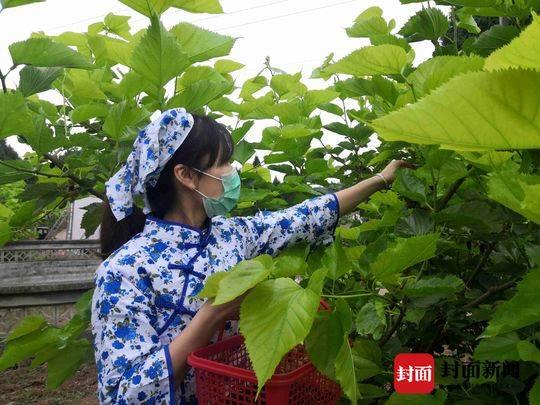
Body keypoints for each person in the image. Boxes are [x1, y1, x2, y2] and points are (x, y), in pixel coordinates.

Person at [91, 107, 415, 404]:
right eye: (222, 163)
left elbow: (305, 216)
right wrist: (211, 315)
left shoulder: (232, 235)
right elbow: (126, 393)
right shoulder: (125, 270)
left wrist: (379, 180)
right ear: (186, 175)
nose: (232, 172)